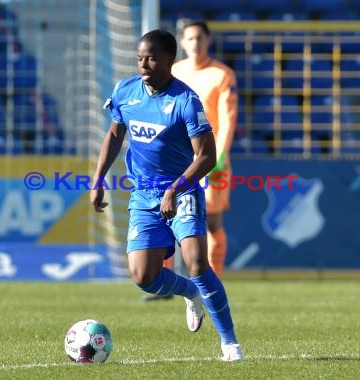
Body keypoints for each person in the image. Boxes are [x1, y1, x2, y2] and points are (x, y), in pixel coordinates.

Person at [90, 29, 243, 362]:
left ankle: (229, 343)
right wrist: (99, 177)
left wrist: (175, 188)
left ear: (169, 61)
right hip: (144, 194)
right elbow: (115, 135)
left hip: (182, 190)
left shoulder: (186, 101)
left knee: (197, 263)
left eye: (152, 58)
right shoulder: (125, 91)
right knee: (143, 276)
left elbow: (206, 155)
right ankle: (190, 294)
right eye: (140, 58)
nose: (144, 64)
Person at [143, 20, 237, 303]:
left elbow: (228, 119)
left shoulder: (221, 75)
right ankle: (165, 283)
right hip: (175, 159)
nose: (195, 43)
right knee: (164, 215)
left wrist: (219, 156)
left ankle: (212, 283)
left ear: (207, 41)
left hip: (209, 160)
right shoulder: (176, 72)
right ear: (182, 43)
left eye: (199, 38)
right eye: (190, 39)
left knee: (211, 222)